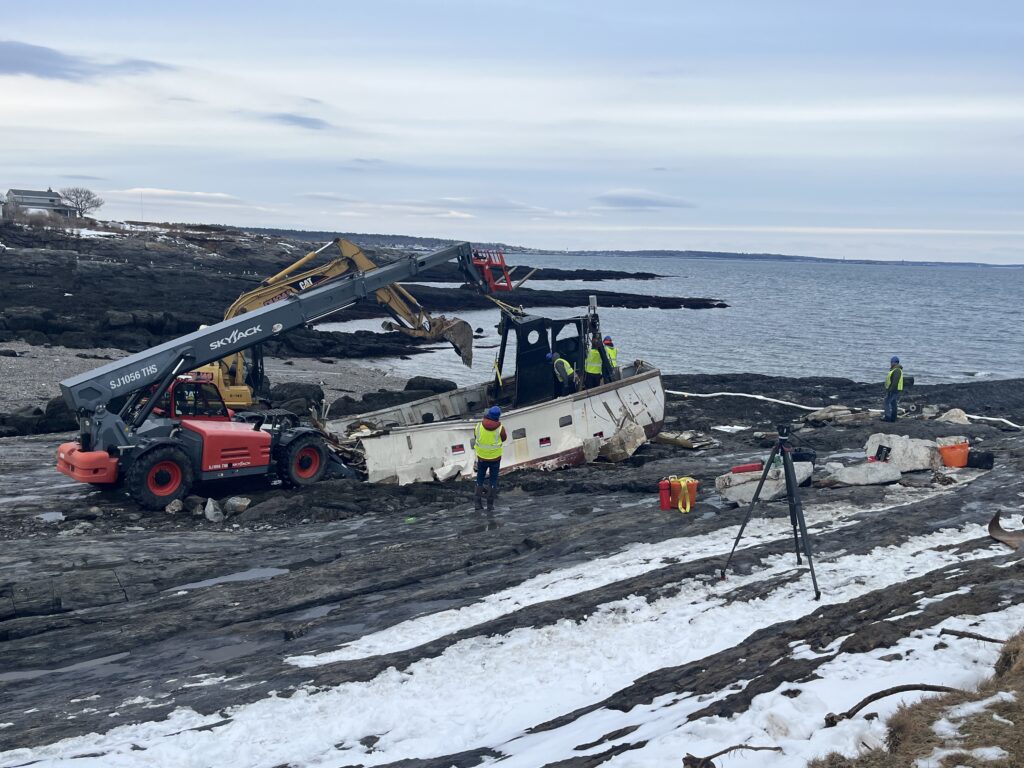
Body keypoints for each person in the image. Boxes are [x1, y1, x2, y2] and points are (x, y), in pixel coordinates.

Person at [473, 405, 507, 511]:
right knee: (493, 480)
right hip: (495, 459)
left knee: (480, 479)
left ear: (488, 414)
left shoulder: (478, 426)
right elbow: (504, 438)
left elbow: (476, 436)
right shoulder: (500, 428)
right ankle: (490, 505)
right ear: (498, 416)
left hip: (482, 458)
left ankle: (478, 504)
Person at [883, 356, 904, 422]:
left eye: (892, 362)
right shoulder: (895, 370)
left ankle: (888, 417)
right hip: (896, 389)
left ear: (895, 362)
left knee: (887, 402)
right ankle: (893, 418)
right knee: (893, 403)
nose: (891, 363)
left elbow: (895, 382)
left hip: (894, 390)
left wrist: (890, 390)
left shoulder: (897, 370)